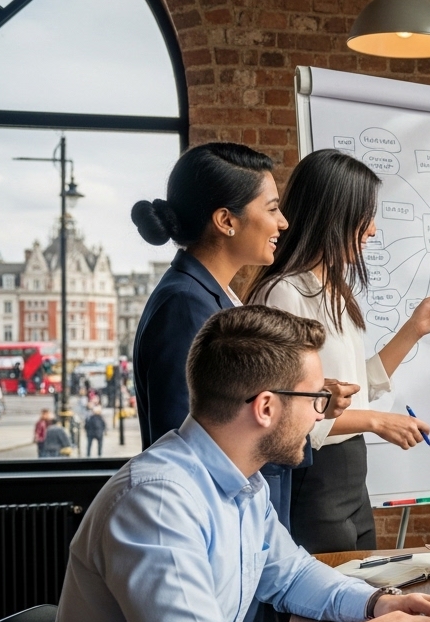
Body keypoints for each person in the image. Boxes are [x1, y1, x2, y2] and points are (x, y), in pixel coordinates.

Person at [38, 306, 430, 622]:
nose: (320, 415)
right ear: (265, 407)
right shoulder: (158, 502)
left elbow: (291, 574)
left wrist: (377, 604)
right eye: (316, 398)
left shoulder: (243, 481)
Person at [130, 142, 356, 530]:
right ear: (226, 220)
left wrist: (302, 401)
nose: (283, 223)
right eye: (271, 209)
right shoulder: (186, 307)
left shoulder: (216, 298)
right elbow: (190, 445)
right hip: (218, 529)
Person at [247, 149, 430, 553]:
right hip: (315, 480)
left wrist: (414, 330)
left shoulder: (334, 291)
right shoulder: (283, 293)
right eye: (365, 216)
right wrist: (377, 421)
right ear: (333, 214)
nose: (373, 231)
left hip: (351, 480)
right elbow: (293, 414)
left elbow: (354, 385)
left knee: (361, 595)